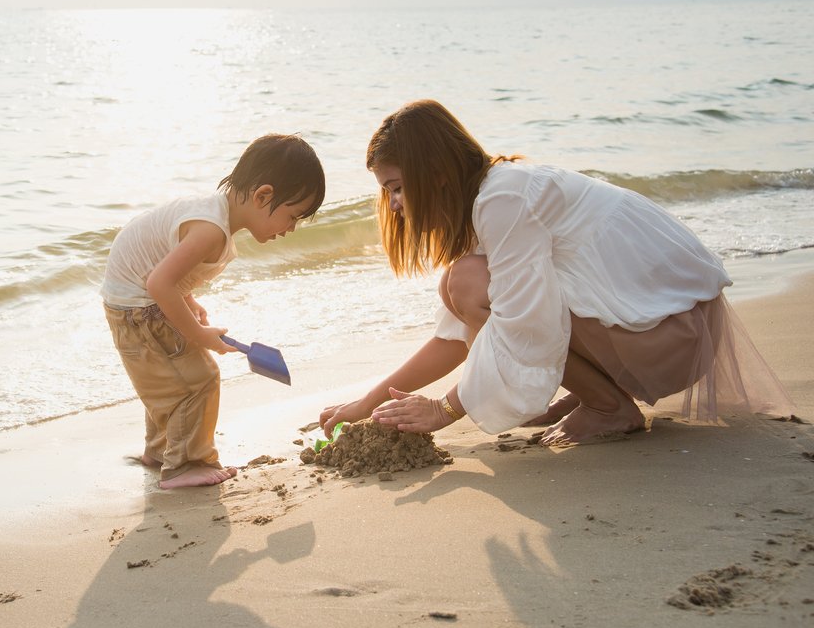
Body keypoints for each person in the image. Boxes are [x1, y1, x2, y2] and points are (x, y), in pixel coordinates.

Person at [319, 99, 793, 446]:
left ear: (436, 172)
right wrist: (366, 402)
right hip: (669, 327)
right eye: (388, 192)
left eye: (398, 187)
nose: (395, 204)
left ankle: (608, 406)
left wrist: (445, 410)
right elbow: (456, 338)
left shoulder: (502, 199)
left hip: (673, 336)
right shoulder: (493, 195)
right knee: (461, 285)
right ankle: (599, 393)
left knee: (466, 283)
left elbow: (526, 322)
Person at [103, 134, 325, 488]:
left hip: (132, 302)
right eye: (293, 216)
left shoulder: (213, 217)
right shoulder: (210, 230)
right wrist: (197, 334)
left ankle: (159, 452)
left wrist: (188, 302)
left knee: (168, 379)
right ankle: (185, 465)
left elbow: (163, 269)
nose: (291, 229)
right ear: (263, 195)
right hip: (138, 309)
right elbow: (159, 283)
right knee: (197, 380)